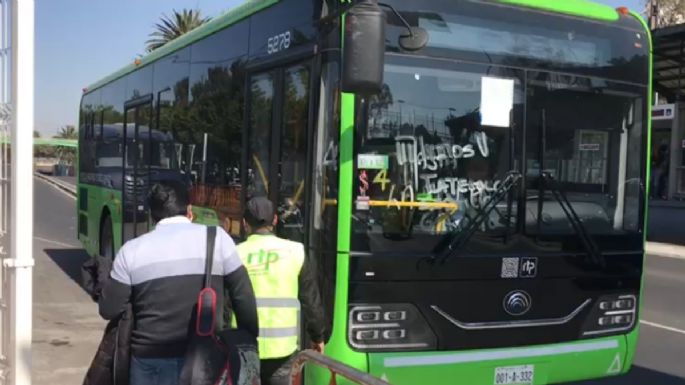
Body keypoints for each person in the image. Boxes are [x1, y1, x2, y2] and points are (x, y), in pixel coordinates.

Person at [98, 180, 259, 385]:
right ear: (189, 210)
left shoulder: (131, 251)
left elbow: (109, 309)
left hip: (148, 364)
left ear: (152, 215)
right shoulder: (218, 239)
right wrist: (249, 342)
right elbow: (243, 296)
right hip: (207, 362)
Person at [237, 197, 326, 385]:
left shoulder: (235, 254)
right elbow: (311, 301)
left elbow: (225, 305)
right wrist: (317, 336)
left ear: (245, 224)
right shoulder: (295, 251)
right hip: (282, 351)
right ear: (275, 220)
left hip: (244, 349)